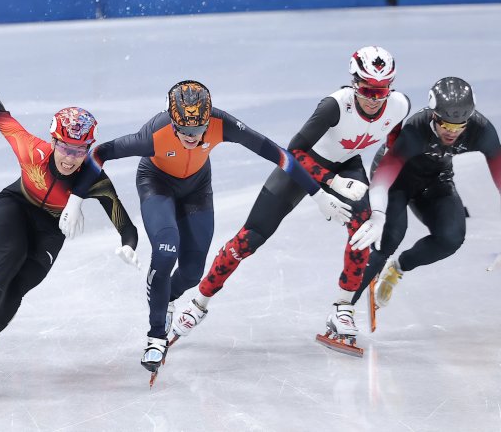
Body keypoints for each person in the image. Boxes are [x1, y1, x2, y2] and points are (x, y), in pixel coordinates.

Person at [59, 79, 351, 377]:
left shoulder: (222, 124)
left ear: (208, 121)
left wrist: (318, 194)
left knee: (192, 273)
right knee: (166, 250)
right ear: (172, 122)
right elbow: (100, 153)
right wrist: (75, 199)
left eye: (198, 130)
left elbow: (280, 155)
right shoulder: (153, 135)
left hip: (197, 190)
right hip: (156, 184)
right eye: (183, 130)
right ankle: (156, 337)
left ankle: (166, 297)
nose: (190, 137)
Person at [172, 47, 411, 354]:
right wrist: (329, 185)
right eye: (367, 90)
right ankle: (198, 303)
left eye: (382, 91)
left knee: (362, 231)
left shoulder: (399, 106)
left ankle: (343, 308)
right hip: (302, 166)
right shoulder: (334, 106)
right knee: (249, 239)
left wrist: (378, 211)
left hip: (347, 164)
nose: (374, 99)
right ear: (354, 83)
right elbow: (293, 152)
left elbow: (392, 155)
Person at [0, 44, 139, 382]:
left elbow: (125, 223)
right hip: (16, 206)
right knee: (10, 258)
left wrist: (128, 245)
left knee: (21, 285)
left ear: (88, 149)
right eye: (64, 147)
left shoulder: (94, 178)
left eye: (79, 150)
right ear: (53, 140)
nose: (70, 158)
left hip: (50, 228)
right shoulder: (32, 150)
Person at [348, 77, 501, 319]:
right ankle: (343, 310)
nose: (452, 132)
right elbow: (384, 175)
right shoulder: (415, 130)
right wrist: (376, 213)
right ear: (434, 116)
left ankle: (398, 269)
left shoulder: (481, 130)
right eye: (446, 125)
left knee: (451, 238)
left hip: (435, 179)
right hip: (396, 181)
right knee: (388, 239)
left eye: (459, 126)